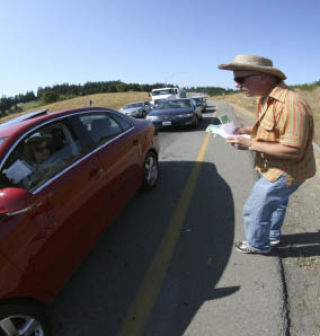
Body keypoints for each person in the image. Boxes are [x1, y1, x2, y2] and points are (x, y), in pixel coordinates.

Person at [217, 54, 316, 254]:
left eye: (241, 79)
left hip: (285, 171)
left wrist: (250, 144)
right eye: (235, 80)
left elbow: (293, 150)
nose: (236, 85)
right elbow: (277, 132)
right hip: (274, 167)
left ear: (263, 76)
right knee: (276, 204)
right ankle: (271, 236)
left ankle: (258, 245)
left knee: (254, 211)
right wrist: (249, 131)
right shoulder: (265, 99)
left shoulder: (290, 104)